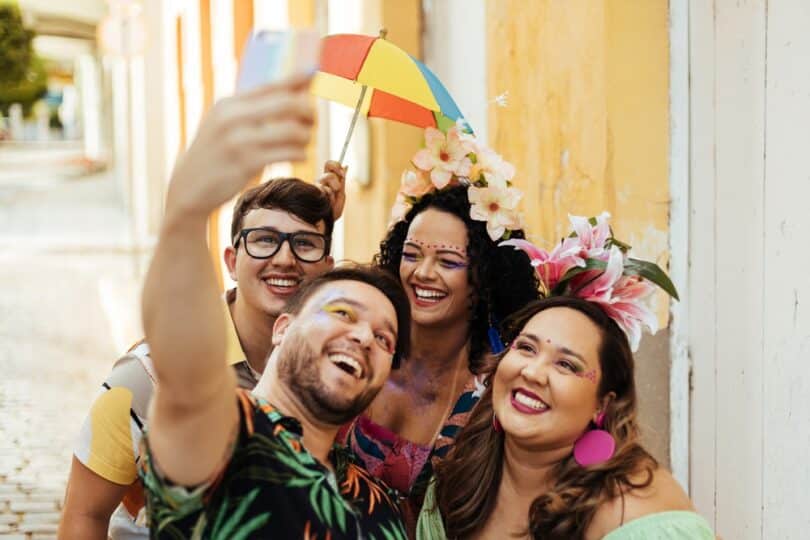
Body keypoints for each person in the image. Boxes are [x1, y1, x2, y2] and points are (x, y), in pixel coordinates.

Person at [59, 74, 346, 539]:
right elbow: (84, 515)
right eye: (265, 240)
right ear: (231, 261)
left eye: (305, 245)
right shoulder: (146, 377)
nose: (285, 258)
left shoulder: (338, 372)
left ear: (327, 268)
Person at [136, 73, 412, 538]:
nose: (365, 335)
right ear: (283, 327)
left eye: (385, 337)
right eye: (343, 313)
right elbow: (186, 364)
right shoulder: (223, 435)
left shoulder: (379, 509)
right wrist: (186, 215)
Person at [417, 224, 714, 539]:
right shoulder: (455, 484)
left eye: (566, 364)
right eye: (527, 348)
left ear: (603, 403)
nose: (532, 372)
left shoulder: (637, 516)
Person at [337, 125, 540, 521]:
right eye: (411, 254)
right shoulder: (359, 347)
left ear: (484, 276)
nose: (422, 273)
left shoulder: (496, 394)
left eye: (447, 262)